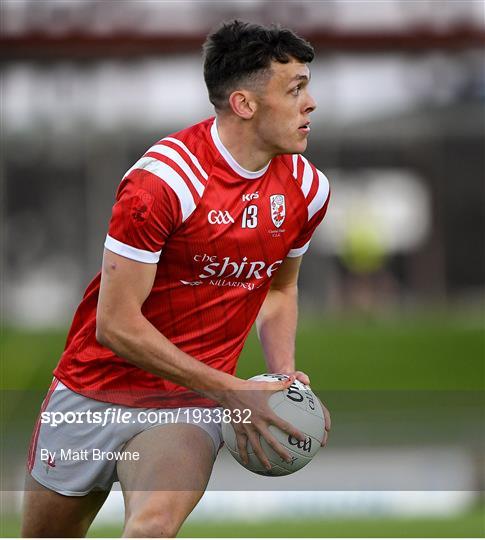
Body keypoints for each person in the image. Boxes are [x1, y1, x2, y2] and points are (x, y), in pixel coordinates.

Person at [22, 20, 331, 538]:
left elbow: (278, 287)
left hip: (187, 405)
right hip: (90, 393)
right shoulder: (160, 184)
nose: (311, 103)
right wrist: (234, 390)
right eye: (295, 88)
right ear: (244, 104)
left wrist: (280, 377)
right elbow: (115, 325)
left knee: (152, 528)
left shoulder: (307, 189)